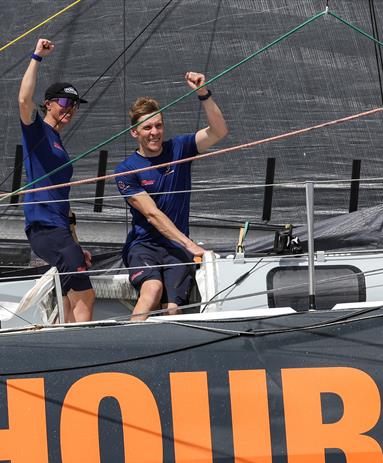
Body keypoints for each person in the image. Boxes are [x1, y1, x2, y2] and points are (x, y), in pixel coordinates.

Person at [115, 72, 228, 321]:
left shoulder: (180, 147)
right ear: (135, 133)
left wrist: (203, 93)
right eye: (147, 128)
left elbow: (219, 131)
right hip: (144, 247)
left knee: (174, 308)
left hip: (175, 248)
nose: (154, 132)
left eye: (158, 125)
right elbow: (153, 215)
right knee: (152, 288)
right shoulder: (126, 171)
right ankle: (125, 347)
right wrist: (190, 245)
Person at [18, 38, 95, 323]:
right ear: (49, 104)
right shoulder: (36, 131)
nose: (70, 109)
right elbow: (24, 100)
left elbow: (65, 206)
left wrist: (76, 243)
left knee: (66, 300)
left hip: (59, 229)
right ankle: (84, 354)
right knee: (85, 296)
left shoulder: (59, 144)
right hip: (45, 229)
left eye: (75, 105)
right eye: (65, 102)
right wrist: (36, 57)